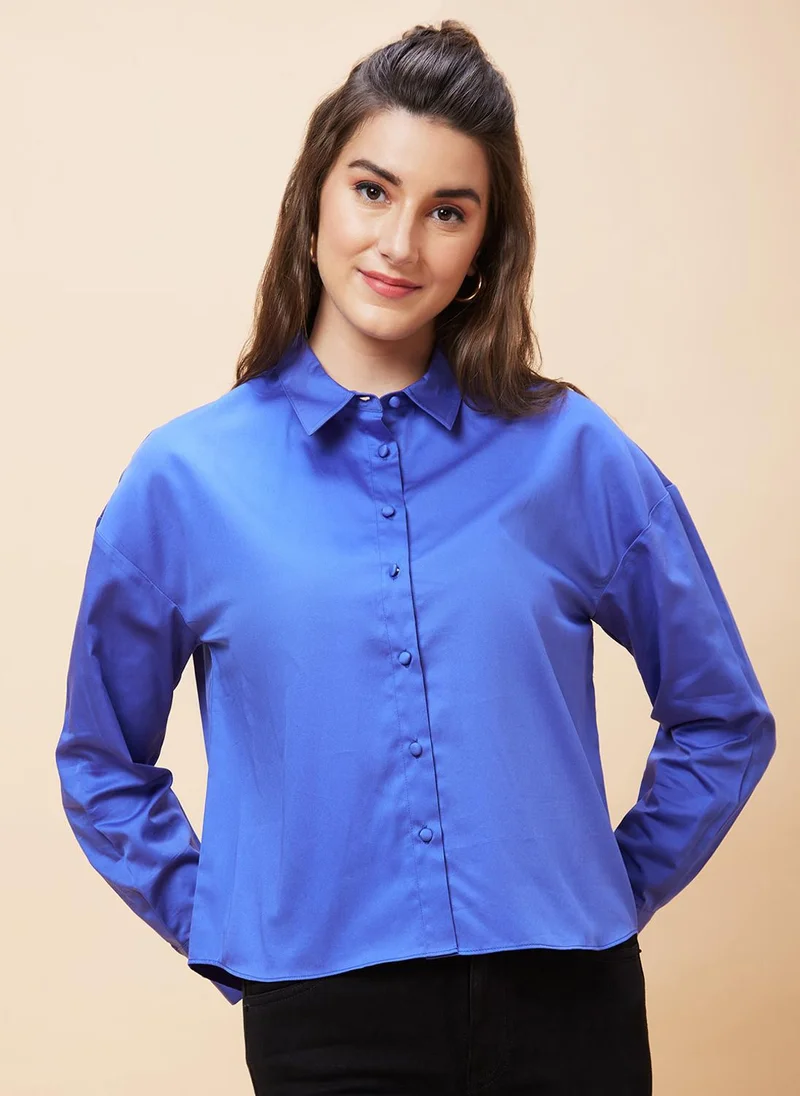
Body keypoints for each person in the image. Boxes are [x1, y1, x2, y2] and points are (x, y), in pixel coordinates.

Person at [54, 19, 776, 1096]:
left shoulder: (571, 454)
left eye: (448, 211)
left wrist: (608, 888)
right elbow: (101, 762)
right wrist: (219, 914)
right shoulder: (184, 481)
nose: (400, 244)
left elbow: (722, 715)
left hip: (569, 1005)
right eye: (372, 191)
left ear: (484, 246)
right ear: (313, 202)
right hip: (323, 1022)